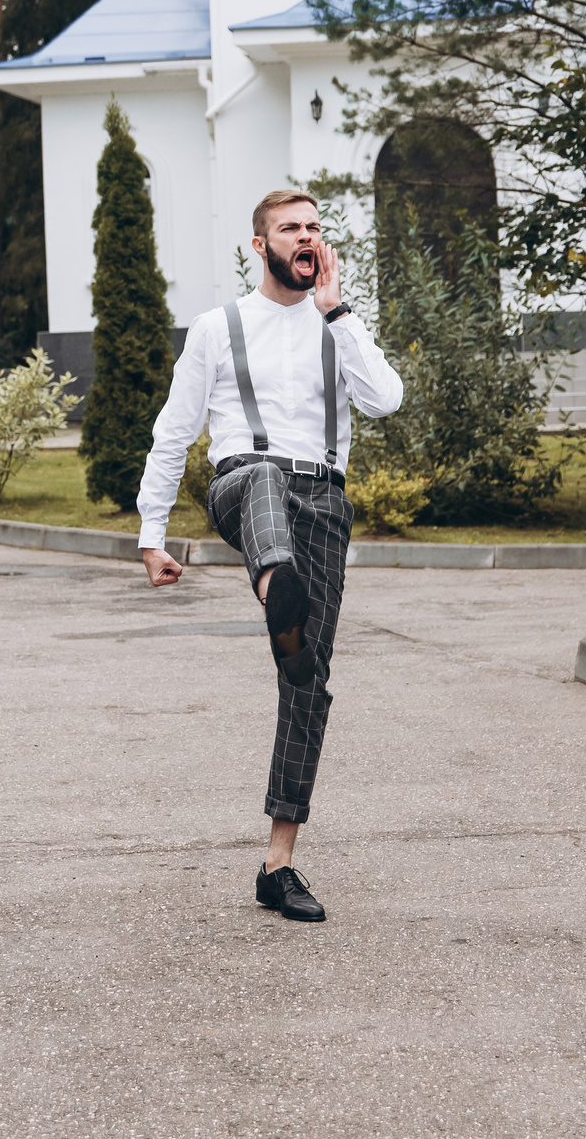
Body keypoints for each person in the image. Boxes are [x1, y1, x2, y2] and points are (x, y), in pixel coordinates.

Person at [136, 190, 405, 923]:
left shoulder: (338, 328)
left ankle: (277, 865)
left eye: (315, 228)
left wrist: (339, 312)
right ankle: (271, 583)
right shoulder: (219, 327)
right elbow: (174, 429)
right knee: (259, 475)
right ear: (261, 245)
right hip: (242, 487)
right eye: (290, 228)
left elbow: (386, 400)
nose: (305, 237)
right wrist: (151, 533)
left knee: (307, 679)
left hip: (323, 501)